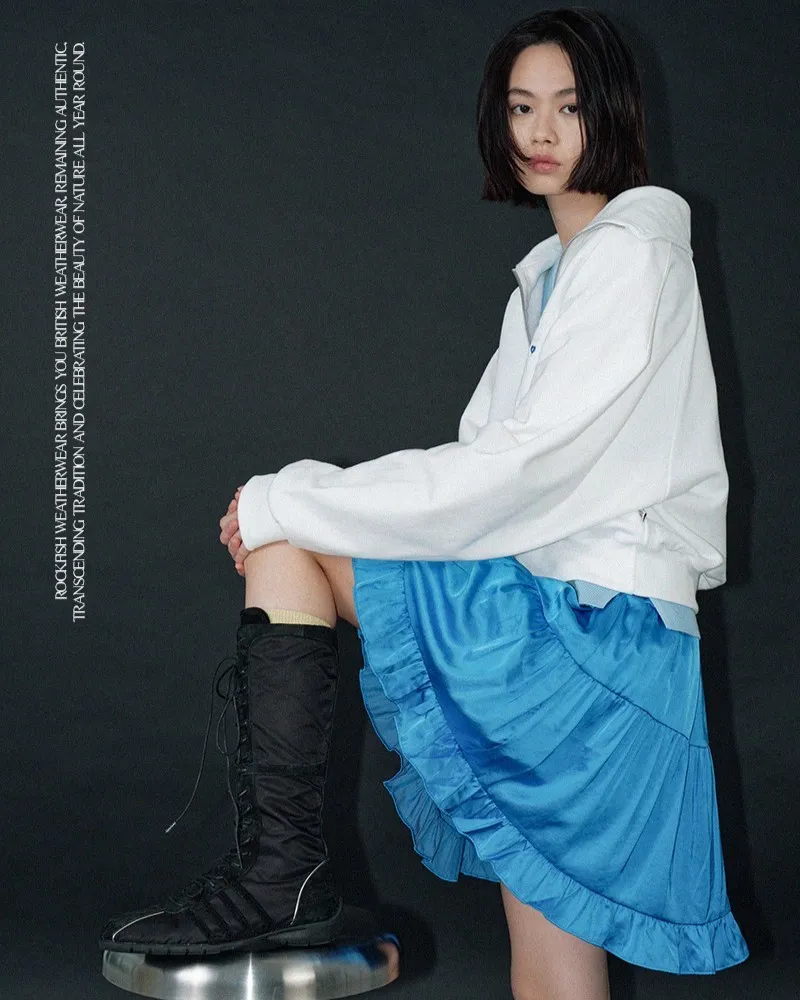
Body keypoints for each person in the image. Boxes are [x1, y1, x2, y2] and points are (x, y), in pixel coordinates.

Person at [99, 7, 750, 997]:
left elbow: (513, 475)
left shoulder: (627, 255)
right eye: (520, 107)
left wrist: (290, 496)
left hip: (592, 634)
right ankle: (284, 876)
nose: (540, 132)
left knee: (289, 545)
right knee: (552, 972)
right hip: (586, 627)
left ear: (613, 112)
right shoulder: (559, 274)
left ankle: (283, 876)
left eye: (568, 107)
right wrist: (301, 497)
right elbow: (486, 467)